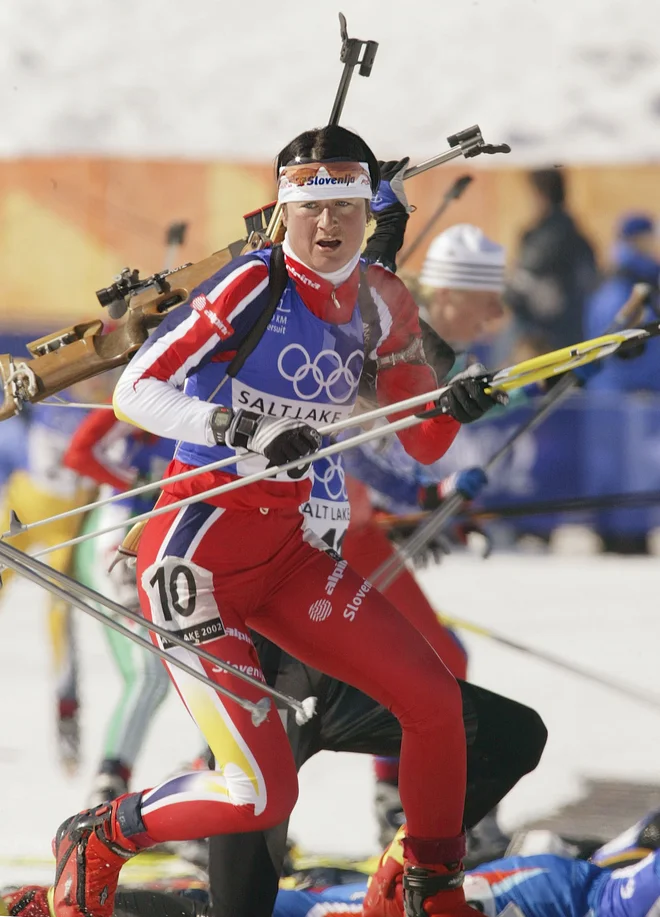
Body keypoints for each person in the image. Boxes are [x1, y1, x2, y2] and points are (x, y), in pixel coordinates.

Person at [52, 125, 507, 917]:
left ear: (369, 213)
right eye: (311, 207)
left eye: (345, 207)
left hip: (290, 556)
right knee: (261, 791)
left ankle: (430, 888)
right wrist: (242, 428)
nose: (328, 225)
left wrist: (456, 399)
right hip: (196, 562)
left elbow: (423, 439)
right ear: (284, 212)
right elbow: (137, 389)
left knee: (437, 703)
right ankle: (102, 833)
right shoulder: (251, 284)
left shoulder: (380, 299)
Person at [63, 408, 174, 804]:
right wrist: (133, 482)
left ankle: (213, 783)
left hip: (154, 552)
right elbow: (78, 453)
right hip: (112, 547)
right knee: (148, 676)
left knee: (184, 675)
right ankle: (105, 792)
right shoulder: (152, 390)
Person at [505, 169, 598, 352]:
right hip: (576, 334)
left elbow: (519, 289)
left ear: (541, 195)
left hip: (542, 339)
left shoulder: (541, 239)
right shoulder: (579, 237)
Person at [585, 213, 660, 394]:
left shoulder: (608, 288)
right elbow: (623, 358)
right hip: (628, 400)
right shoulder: (625, 294)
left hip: (612, 397)